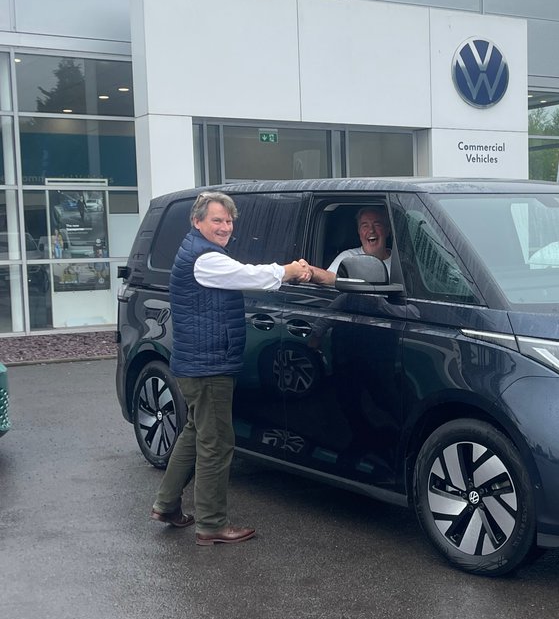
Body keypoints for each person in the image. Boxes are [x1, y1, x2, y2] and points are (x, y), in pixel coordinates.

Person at [150, 190, 312, 546]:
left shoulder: (198, 250)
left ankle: (166, 504)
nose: (225, 227)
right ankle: (211, 524)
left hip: (198, 363)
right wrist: (290, 270)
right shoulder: (205, 258)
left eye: (228, 220)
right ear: (197, 222)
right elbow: (249, 276)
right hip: (208, 367)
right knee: (217, 442)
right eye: (217, 220)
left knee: (195, 433)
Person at [303, 205, 393, 287]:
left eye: (377, 225)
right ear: (359, 232)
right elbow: (331, 277)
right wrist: (309, 271)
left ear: (387, 230)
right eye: (365, 226)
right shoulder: (348, 257)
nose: (371, 230)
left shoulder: (401, 261)